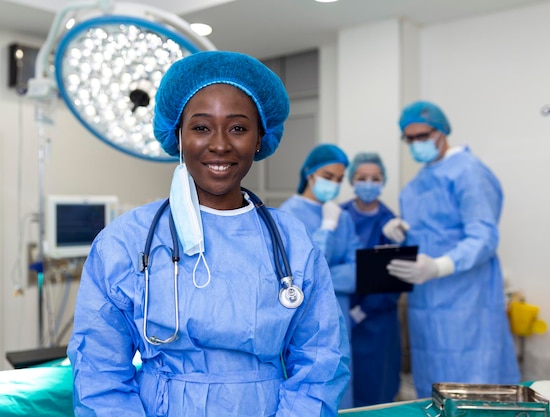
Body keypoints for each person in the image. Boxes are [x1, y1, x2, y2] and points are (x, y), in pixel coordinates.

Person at [67, 51, 350, 417]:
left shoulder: (292, 241)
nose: (220, 144)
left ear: (261, 138)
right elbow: (98, 372)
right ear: (178, 136)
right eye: (201, 127)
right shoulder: (126, 240)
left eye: (238, 128)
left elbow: (320, 362)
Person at [384, 100, 520, 398]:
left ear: (442, 132)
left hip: (467, 300)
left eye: (423, 136)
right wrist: (401, 230)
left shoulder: (468, 172)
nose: (417, 143)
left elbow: (483, 236)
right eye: (410, 138)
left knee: (473, 383)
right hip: (426, 302)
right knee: (433, 383)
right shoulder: (419, 182)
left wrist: (439, 266)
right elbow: (429, 236)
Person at [279, 143, 359, 410]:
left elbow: (357, 269)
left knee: (338, 373)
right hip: (302, 316)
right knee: (308, 382)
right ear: (310, 174)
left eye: (339, 179)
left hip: (340, 312)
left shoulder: (342, 217)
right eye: (328, 176)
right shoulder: (288, 214)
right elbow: (297, 277)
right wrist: (326, 228)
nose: (334, 184)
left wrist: (322, 275)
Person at [340, 152, 402, 407]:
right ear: (352, 180)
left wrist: (364, 311)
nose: (368, 184)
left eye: (374, 178)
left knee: (377, 386)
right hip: (342, 308)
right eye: (362, 178)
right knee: (343, 382)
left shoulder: (391, 223)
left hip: (378, 320)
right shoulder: (340, 216)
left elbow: (395, 276)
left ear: (383, 181)